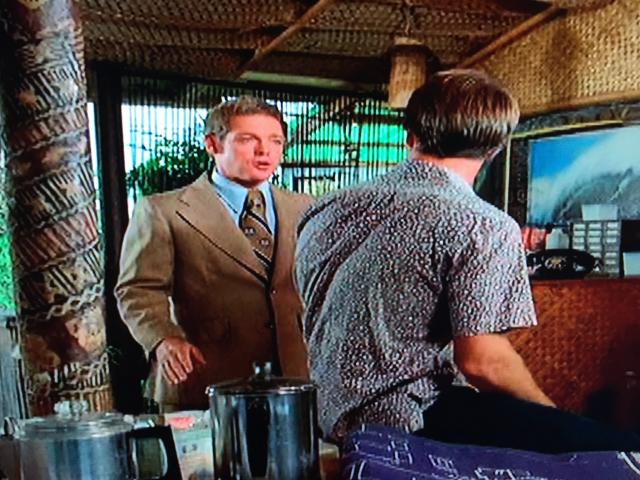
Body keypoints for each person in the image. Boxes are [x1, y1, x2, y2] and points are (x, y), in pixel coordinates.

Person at [295, 69, 640, 453]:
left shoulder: (324, 209)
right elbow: (483, 362)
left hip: (326, 415)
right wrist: (552, 418)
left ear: (410, 136)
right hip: (409, 416)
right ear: (496, 147)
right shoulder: (481, 223)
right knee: (616, 448)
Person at [116, 96, 312, 411]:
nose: (264, 150)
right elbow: (137, 289)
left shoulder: (305, 208)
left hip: (295, 380)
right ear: (212, 144)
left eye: (275, 141)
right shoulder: (163, 212)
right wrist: (163, 339)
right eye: (247, 139)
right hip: (204, 378)